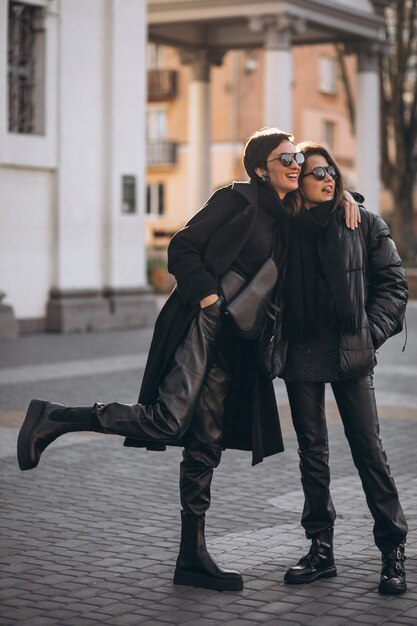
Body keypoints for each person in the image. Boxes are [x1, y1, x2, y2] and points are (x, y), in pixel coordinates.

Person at [17, 128, 358, 593]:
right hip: (207, 324)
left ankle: (192, 557)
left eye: (299, 157)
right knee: (166, 420)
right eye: (286, 158)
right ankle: (56, 416)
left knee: (206, 442)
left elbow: (329, 195)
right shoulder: (238, 200)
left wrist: (348, 200)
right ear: (262, 168)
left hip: (238, 344)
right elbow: (182, 247)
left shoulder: (288, 215)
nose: (297, 164)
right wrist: (208, 298)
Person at [267, 141, 408, 594]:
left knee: (368, 449)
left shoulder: (361, 222)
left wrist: (369, 333)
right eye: (316, 174)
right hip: (301, 351)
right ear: (298, 185)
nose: (327, 179)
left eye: (331, 172)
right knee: (313, 454)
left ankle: (392, 550)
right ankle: (321, 550)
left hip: (350, 350)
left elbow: (394, 285)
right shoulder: (282, 227)